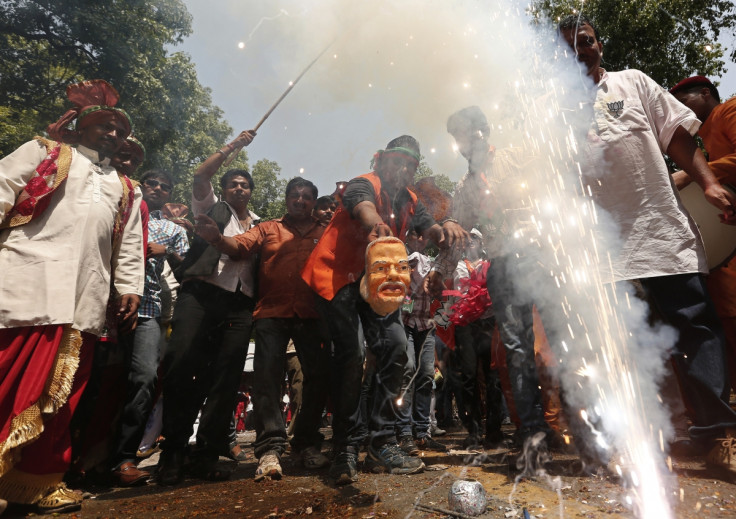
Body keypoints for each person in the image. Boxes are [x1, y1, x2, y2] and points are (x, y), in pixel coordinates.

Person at [558, 14, 736, 471]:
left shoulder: (632, 83)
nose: (582, 52)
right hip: (598, 245)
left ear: (599, 43)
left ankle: (714, 432)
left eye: (588, 41)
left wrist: (708, 182)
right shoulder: (551, 108)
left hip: (657, 230)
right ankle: (627, 439)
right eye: (571, 46)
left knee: (694, 325)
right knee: (614, 340)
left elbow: (675, 138)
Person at [0, 79, 144, 513]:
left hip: (86, 294)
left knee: (65, 394)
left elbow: (130, 244)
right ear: (78, 128)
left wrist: (130, 287)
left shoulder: (126, 187)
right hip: (27, 278)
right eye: (104, 125)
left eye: (120, 130)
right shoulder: (45, 152)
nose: (114, 134)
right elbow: (2, 185)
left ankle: (38, 483)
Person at [301, 135, 467, 484]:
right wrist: (375, 224)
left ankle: (381, 444)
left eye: (410, 164)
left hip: (379, 287)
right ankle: (345, 448)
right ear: (381, 161)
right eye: (397, 161)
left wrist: (448, 226)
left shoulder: (411, 200)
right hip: (337, 279)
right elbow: (364, 208)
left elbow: (432, 229)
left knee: (396, 351)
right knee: (352, 354)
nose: (402, 169)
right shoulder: (363, 184)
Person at [195, 177, 329, 481]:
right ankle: (270, 449)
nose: (300, 200)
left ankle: (307, 443)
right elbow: (238, 247)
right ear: (286, 199)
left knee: (317, 378)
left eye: (307, 196)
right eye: (295, 195)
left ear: (313, 202)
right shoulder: (268, 228)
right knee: (267, 379)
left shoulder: (326, 231)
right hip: (271, 312)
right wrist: (216, 237)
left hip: (312, 315)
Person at [158, 130, 258, 485]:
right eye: (232, 183)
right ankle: (172, 452)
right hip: (199, 298)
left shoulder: (260, 226)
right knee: (182, 368)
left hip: (238, 306)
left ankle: (205, 455)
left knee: (225, 380)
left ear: (251, 192)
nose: (238, 188)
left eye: (244, 185)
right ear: (225, 188)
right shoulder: (210, 208)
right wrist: (233, 146)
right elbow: (201, 175)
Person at [110, 169, 189, 486]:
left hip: (148, 308)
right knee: (97, 379)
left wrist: (167, 252)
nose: (158, 188)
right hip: (100, 302)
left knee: (144, 378)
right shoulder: (116, 208)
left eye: (165, 186)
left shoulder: (171, 228)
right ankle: (78, 459)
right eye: (152, 183)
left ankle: (124, 458)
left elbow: (192, 270)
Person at [670, 76, 736, 391]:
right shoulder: (702, 137)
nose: (680, 110)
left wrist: (693, 174)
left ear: (705, 93)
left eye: (683, 102)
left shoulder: (730, 110)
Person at [395, 227, 449, 454]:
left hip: (426, 326)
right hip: (405, 323)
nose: (418, 239)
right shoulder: (401, 261)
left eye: (422, 235)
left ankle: (422, 432)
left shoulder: (433, 263)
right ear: (406, 238)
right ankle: (404, 433)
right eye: (413, 235)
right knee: (408, 370)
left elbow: (441, 291)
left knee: (427, 375)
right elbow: (400, 294)